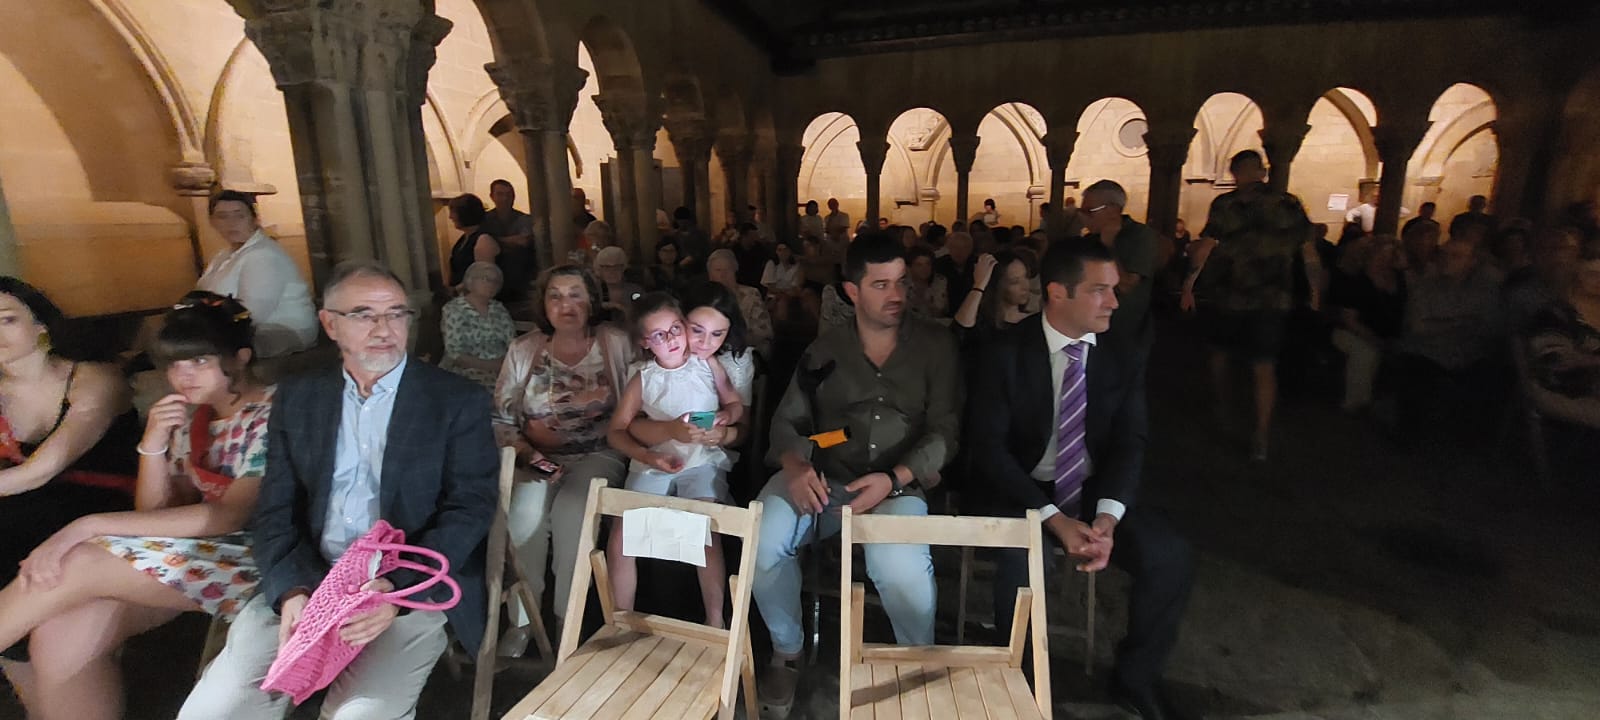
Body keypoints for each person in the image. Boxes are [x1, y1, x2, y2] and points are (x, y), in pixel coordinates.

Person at [179, 261, 498, 719]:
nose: (383, 328)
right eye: (364, 314)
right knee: (215, 711)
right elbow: (277, 506)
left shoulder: (454, 401)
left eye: (396, 314)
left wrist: (393, 589)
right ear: (329, 323)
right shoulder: (300, 397)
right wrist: (291, 589)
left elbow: (469, 509)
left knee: (358, 716)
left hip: (404, 587)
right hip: (311, 577)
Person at [0, 292, 269, 720]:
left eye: (200, 361)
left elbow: (229, 515)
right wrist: (153, 446)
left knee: (76, 561)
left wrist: (87, 526)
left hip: (267, 557)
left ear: (240, 357)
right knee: (60, 631)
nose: (184, 376)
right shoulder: (192, 416)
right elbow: (153, 519)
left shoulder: (273, 413)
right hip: (201, 557)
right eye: (174, 364)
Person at [969, 238, 1193, 720]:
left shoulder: (1121, 353)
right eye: (1099, 290)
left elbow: (1131, 441)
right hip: (1024, 488)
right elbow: (988, 449)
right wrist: (1052, 518)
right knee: (1019, 559)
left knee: (1168, 553)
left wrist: (1109, 517)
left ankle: (1136, 677)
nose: (1114, 301)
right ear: (1057, 292)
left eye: (1113, 289)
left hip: (1092, 491)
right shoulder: (1006, 351)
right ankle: (1019, 678)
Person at [753, 232, 961, 715]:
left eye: (902, 283)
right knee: (764, 535)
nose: (896, 295)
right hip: (827, 476)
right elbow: (788, 422)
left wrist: (897, 477)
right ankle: (788, 652)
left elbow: (946, 430)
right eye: (881, 284)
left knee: (897, 563)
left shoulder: (936, 346)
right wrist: (796, 463)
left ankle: (915, 668)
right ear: (852, 291)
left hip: (897, 483)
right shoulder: (824, 351)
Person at [490, 265, 633, 656]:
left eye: (575, 294)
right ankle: (524, 622)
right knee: (523, 518)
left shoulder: (614, 343)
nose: (565, 304)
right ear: (544, 304)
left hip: (599, 454)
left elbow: (640, 400)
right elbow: (501, 419)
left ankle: (565, 619)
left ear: (592, 301)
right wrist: (531, 457)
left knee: (573, 514)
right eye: (555, 295)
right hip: (535, 457)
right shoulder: (524, 350)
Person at [605, 294, 744, 627]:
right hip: (655, 461)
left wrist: (726, 416)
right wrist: (646, 455)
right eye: (658, 335)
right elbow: (616, 430)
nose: (670, 339)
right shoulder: (644, 378)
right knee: (622, 533)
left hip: (700, 460)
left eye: (675, 329)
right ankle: (621, 617)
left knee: (704, 528)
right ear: (644, 342)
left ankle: (715, 618)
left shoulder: (706, 365)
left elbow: (735, 403)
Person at [0, 278, 141, 602]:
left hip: (97, 502)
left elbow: (41, 470)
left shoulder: (94, 379)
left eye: (7, 319)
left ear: (40, 326)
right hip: (23, 501)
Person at [1183, 150, 1315, 461]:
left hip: (1246, 295)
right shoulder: (1281, 204)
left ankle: (1241, 419)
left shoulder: (1240, 205)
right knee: (1247, 360)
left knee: (1240, 358)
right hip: (1253, 295)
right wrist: (1314, 287)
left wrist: (1189, 284)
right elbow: (1308, 249)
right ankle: (1249, 426)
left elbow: (1205, 247)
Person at [1386, 238, 1505, 444]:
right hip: (1425, 353)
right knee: (1417, 375)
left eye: (1456, 257)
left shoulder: (1484, 292)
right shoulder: (1424, 288)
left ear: (1472, 262)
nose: (1447, 261)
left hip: (1467, 354)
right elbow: (1419, 327)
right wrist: (1461, 321)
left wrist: (1443, 324)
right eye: (1445, 255)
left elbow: (1488, 328)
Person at [196, 190, 318, 358]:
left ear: (254, 218)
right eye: (222, 216)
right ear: (212, 222)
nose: (231, 223)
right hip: (229, 325)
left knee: (208, 347)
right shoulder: (223, 256)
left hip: (279, 329)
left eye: (239, 216)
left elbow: (252, 314)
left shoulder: (263, 255)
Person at [1081, 179, 1161, 364]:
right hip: (1091, 331)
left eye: (1089, 212)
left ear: (1112, 210)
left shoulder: (1141, 236)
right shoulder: (1089, 240)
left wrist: (1108, 246)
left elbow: (1126, 285)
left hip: (1127, 334)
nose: (1084, 218)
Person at [1524, 241, 1600, 426]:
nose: (1599, 281)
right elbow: (1557, 362)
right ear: (1576, 274)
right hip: (1566, 391)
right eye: (1593, 274)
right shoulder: (1554, 314)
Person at [1329, 236, 1406, 413]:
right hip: (1354, 331)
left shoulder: (1400, 280)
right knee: (1365, 350)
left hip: (1390, 333)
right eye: (1380, 255)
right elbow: (1349, 320)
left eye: (1388, 256)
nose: (1383, 260)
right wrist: (1375, 339)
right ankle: (1357, 401)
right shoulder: (1356, 282)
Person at [440, 262, 517, 390]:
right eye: (486, 279)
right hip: (467, 371)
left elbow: (513, 343)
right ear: (470, 281)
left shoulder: (498, 308)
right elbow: (454, 354)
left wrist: (508, 365)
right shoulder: (454, 309)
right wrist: (492, 366)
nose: (492, 284)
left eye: (496, 281)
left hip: (503, 369)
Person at [707, 249, 773, 358]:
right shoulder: (705, 298)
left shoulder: (751, 295)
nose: (723, 275)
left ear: (735, 271)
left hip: (745, 352)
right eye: (718, 270)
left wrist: (731, 341)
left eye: (728, 269)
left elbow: (764, 332)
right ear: (710, 275)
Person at [481, 179, 536, 306]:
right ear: (492, 196)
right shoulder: (485, 220)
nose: (505, 198)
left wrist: (495, 241)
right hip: (493, 280)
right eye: (500, 194)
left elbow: (524, 241)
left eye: (509, 195)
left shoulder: (523, 219)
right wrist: (510, 241)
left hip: (519, 279)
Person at [447, 193, 501, 291]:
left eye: (453, 212)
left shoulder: (483, 240)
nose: (450, 217)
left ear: (464, 213)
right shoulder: (463, 239)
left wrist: (456, 290)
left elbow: (483, 277)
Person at [594, 246, 644, 324]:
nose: (612, 271)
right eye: (607, 267)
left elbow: (644, 315)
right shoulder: (594, 290)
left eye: (617, 267)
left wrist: (622, 309)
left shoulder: (635, 290)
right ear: (599, 269)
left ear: (623, 268)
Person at [763, 241, 811, 324]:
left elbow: (798, 285)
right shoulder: (772, 264)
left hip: (793, 293)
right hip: (776, 295)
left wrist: (791, 291)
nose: (783, 253)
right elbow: (771, 287)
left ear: (790, 251)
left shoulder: (797, 265)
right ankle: (780, 328)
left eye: (785, 250)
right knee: (782, 300)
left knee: (809, 294)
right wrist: (784, 291)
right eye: (779, 250)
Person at [904, 246, 949, 320]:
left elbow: (940, 312)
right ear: (910, 267)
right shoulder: (902, 284)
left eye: (928, 264)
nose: (924, 269)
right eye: (919, 265)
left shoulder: (940, 281)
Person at [936, 230, 978, 304]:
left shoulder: (978, 265)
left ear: (970, 249)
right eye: (955, 247)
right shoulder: (939, 265)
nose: (959, 252)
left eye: (964, 248)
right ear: (949, 248)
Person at [733, 223, 774, 288]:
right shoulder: (734, 250)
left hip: (757, 285)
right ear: (744, 236)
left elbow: (771, 259)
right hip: (740, 285)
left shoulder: (759, 248)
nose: (755, 238)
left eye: (756, 236)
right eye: (752, 236)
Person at [673, 207, 712, 275]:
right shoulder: (675, 236)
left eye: (683, 221)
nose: (681, 224)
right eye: (679, 221)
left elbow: (706, 251)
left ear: (689, 220)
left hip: (699, 269)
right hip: (681, 271)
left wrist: (692, 258)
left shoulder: (700, 234)